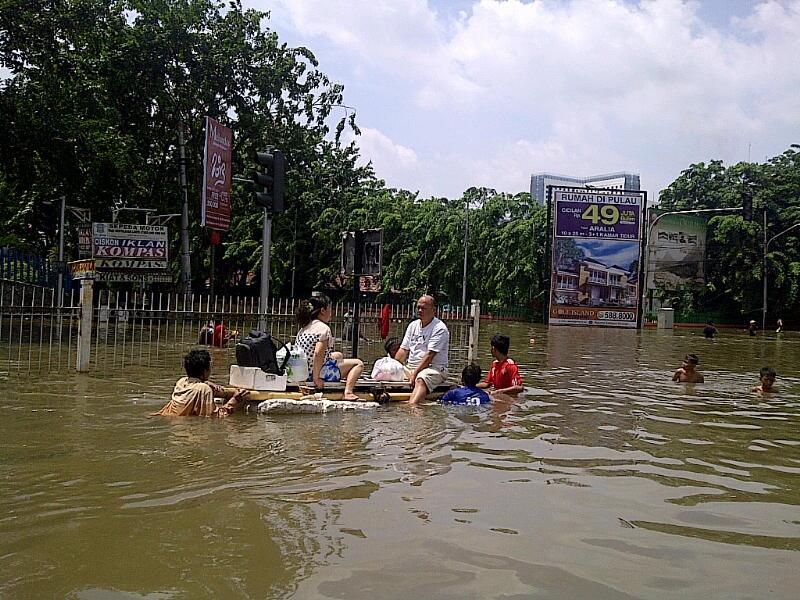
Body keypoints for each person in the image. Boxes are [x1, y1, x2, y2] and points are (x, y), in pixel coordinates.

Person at [295, 294, 364, 400]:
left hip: (303, 370)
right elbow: (318, 354)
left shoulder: (304, 328)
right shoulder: (323, 329)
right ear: (323, 310)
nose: (332, 312)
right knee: (358, 364)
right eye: (330, 309)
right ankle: (348, 392)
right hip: (315, 373)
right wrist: (316, 378)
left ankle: (345, 374)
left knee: (338, 355)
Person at [153, 349, 248, 417]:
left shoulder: (181, 382)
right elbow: (215, 417)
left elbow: (196, 385)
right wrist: (234, 401)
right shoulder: (204, 389)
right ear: (205, 372)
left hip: (168, 417)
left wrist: (206, 382)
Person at [395, 295, 450, 405]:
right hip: (410, 367)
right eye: (418, 307)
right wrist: (393, 365)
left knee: (421, 378)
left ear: (433, 310)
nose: (420, 310)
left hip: (434, 369)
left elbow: (429, 355)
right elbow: (403, 350)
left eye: (423, 308)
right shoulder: (413, 325)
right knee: (385, 370)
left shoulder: (439, 328)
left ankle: (412, 406)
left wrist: (415, 374)